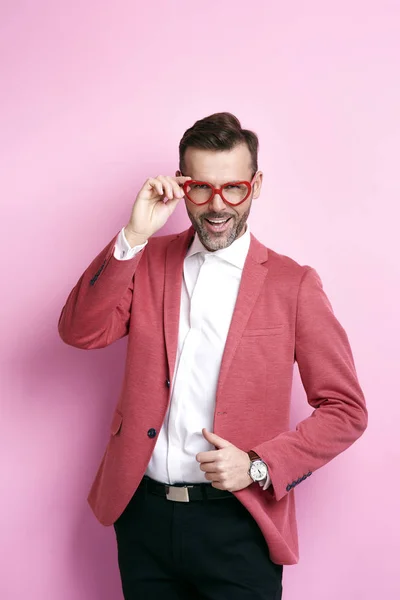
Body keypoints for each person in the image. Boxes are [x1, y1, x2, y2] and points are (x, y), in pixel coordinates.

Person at [58, 112, 368, 599]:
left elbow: (347, 410)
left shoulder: (294, 284)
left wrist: (259, 464)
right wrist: (133, 236)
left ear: (256, 184)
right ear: (182, 187)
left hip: (238, 522)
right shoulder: (149, 262)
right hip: (142, 515)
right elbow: (80, 331)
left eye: (234, 188)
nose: (217, 206)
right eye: (201, 189)